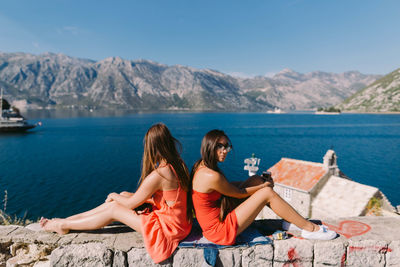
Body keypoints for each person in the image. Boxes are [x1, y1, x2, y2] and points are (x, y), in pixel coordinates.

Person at [40, 123, 193, 263]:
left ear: (152, 146)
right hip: (178, 224)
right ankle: (65, 221)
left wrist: (113, 195)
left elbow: (131, 204)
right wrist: (124, 195)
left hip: (167, 230)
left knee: (113, 207)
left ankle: (63, 224)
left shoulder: (160, 174)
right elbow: (171, 201)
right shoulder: (178, 165)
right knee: (121, 197)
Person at [191, 129, 336, 245]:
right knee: (266, 192)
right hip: (219, 231)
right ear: (209, 145)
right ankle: (310, 228)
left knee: (255, 179)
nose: (225, 150)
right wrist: (264, 186)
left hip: (220, 217)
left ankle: (291, 221)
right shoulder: (211, 175)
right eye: (220, 146)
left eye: (227, 146)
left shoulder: (202, 165)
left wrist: (258, 182)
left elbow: (227, 187)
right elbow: (239, 193)